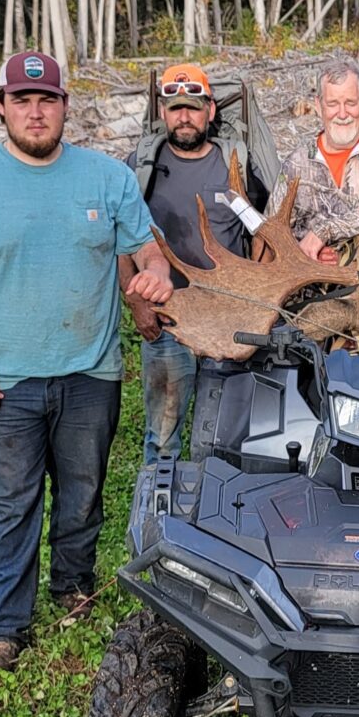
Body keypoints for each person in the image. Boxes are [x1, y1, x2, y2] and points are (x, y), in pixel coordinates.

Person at [0, 52, 174, 687]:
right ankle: (1, 630)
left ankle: (72, 585)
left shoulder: (105, 177)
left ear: (65, 106)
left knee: (83, 492)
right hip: (1, 382)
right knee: (9, 505)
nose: (36, 112)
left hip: (90, 372)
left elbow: (144, 244)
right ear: (1, 107)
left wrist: (156, 272)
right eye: (22, 100)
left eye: (48, 100)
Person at [121, 64, 271, 464]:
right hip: (168, 317)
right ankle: (160, 512)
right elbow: (122, 237)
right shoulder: (141, 166)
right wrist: (137, 303)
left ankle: (215, 515)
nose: (183, 117)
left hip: (225, 318)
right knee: (162, 435)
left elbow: (262, 233)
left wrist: (254, 303)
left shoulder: (234, 164)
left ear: (211, 110)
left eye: (192, 108)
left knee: (224, 435)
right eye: (175, 108)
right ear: (162, 112)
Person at [266, 59, 359, 265]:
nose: (342, 114)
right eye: (332, 104)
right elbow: (273, 231)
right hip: (312, 279)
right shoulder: (296, 164)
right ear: (318, 105)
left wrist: (323, 234)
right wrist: (305, 253)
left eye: (350, 103)